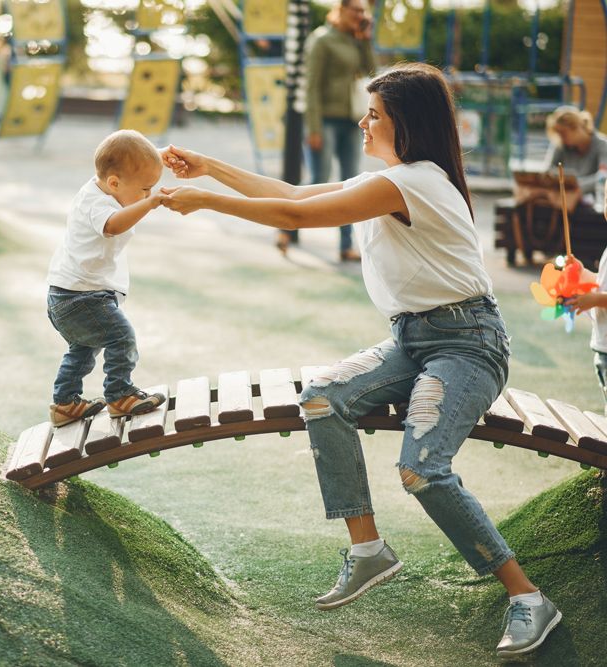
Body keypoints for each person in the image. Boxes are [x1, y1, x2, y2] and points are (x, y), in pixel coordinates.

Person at [159, 63, 561, 659]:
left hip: (467, 343)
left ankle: (528, 597)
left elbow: (295, 218)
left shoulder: (411, 182)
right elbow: (293, 195)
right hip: (412, 340)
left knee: (423, 469)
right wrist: (209, 166)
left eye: (374, 114)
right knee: (322, 397)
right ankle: (368, 549)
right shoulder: (391, 180)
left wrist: (207, 201)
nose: (362, 123)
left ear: (408, 122)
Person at [45, 130, 167, 427]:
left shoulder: (102, 187)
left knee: (83, 349)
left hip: (66, 295)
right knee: (121, 337)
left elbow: (125, 165)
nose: (147, 194)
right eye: (145, 189)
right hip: (81, 298)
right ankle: (120, 394)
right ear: (114, 183)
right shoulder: (97, 204)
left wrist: (154, 159)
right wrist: (151, 203)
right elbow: (112, 226)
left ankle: (65, 403)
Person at [287, 0, 375, 261]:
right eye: (356, 10)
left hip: (352, 119)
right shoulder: (322, 39)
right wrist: (313, 127)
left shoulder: (355, 40)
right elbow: (311, 86)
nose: (360, 15)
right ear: (342, 9)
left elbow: (371, 72)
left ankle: (346, 245)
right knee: (319, 179)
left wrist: (365, 40)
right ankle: (284, 225)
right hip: (325, 120)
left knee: (352, 184)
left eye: (363, 10)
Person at [565, 188, 607, 412]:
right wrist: (582, 272)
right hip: (602, 346)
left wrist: (595, 299)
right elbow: (601, 283)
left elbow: (601, 294)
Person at [545, 106, 607, 196]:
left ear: (576, 128)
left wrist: (576, 185)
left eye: (563, 133)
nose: (561, 138)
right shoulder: (561, 144)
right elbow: (548, 171)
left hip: (593, 197)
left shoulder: (602, 145)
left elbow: (603, 177)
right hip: (564, 196)